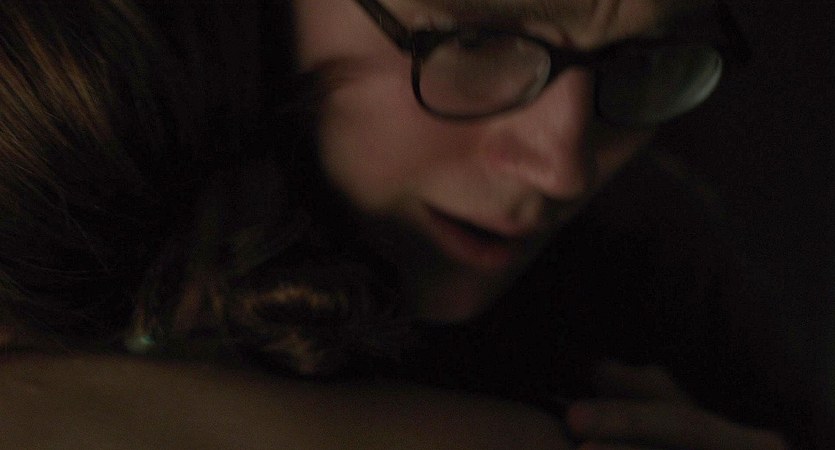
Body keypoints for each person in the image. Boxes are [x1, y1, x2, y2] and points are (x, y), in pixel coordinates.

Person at [0, 0, 819, 448]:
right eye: (476, 39)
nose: (562, 168)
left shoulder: (652, 265)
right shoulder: (55, 143)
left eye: (640, 60)